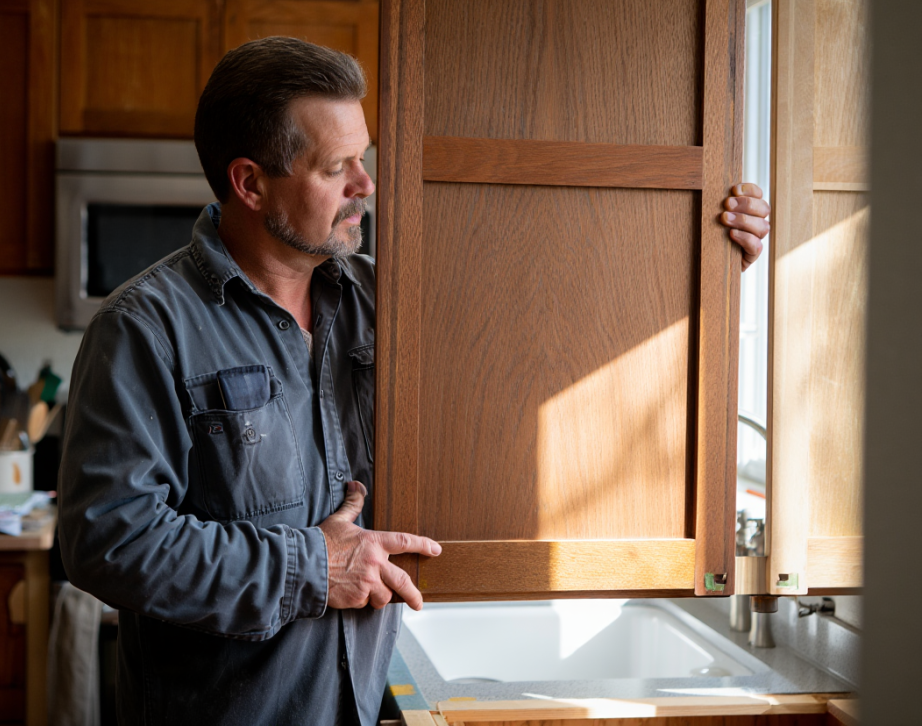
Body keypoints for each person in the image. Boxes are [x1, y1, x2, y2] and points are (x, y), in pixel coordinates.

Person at [58, 37, 770, 726]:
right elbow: (107, 541)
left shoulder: (388, 297)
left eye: (363, 159)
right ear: (249, 182)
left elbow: (549, 348)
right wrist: (310, 567)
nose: (367, 185)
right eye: (338, 168)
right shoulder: (143, 329)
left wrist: (703, 264)